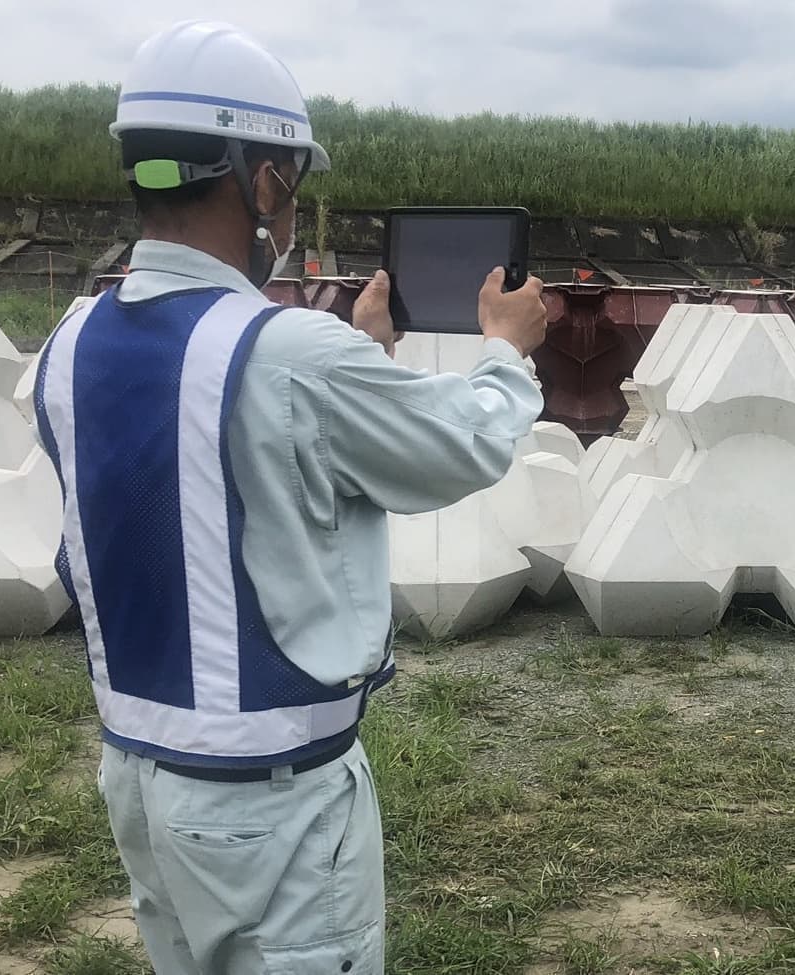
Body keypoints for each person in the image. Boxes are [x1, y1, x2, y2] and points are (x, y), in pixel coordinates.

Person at [32, 20, 548, 975]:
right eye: (292, 184)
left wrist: (364, 355)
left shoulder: (70, 343)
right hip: (270, 807)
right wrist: (505, 351)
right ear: (262, 181)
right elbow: (460, 444)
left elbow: (218, 467)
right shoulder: (292, 355)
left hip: (140, 777)